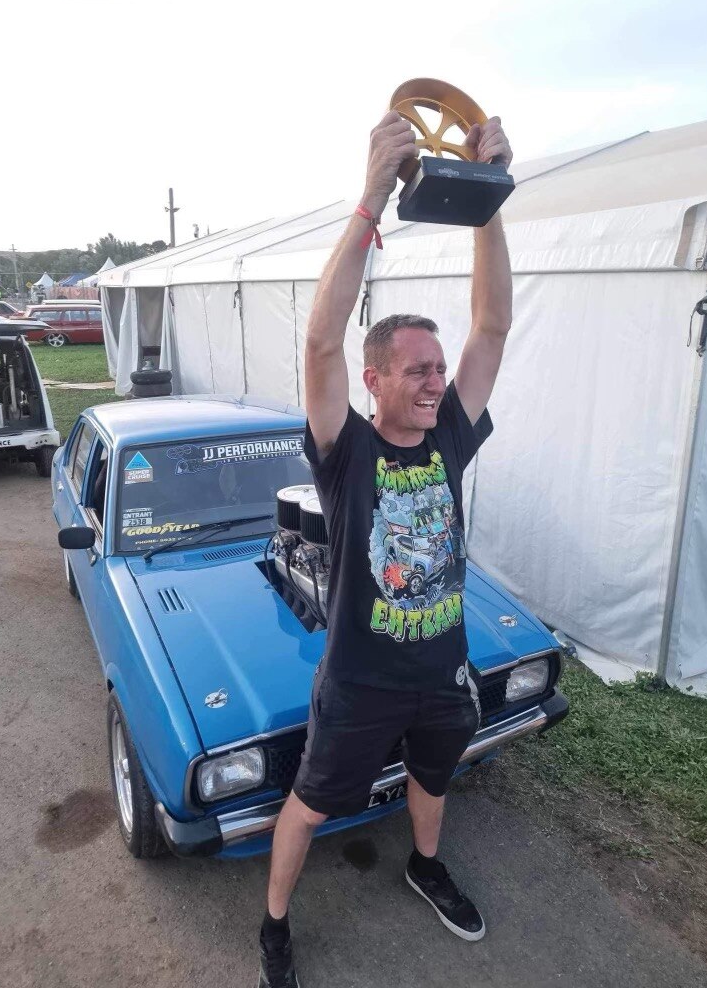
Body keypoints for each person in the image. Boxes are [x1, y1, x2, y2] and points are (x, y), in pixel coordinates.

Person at [258, 110, 513, 988]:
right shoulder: (348, 451)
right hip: (361, 679)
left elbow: (493, 327)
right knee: (312, 802)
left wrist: (491, 200)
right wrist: (371, 194)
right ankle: (275, 929)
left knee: (435, 778)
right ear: (374, 381)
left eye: (438, 371)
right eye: (417, 371)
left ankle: (425, 865)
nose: (437, 382)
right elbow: (320, 339)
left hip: (441, 665)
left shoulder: (448, 437)